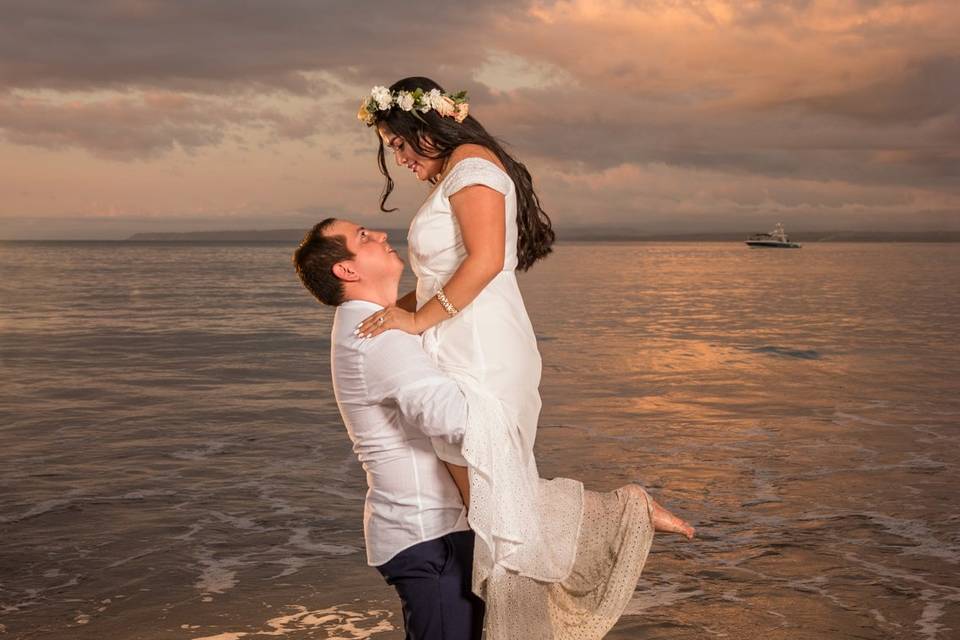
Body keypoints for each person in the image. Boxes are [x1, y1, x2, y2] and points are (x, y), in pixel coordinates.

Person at [293, 218, 695, 640]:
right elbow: (456, 421)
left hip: (435, 534)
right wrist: (500, 381)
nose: (379, 235)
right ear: (346, 270)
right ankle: (624, 509)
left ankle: (625, 509)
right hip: (429, 538)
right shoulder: (380, 338)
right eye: (363, 237)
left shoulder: (379, 324)